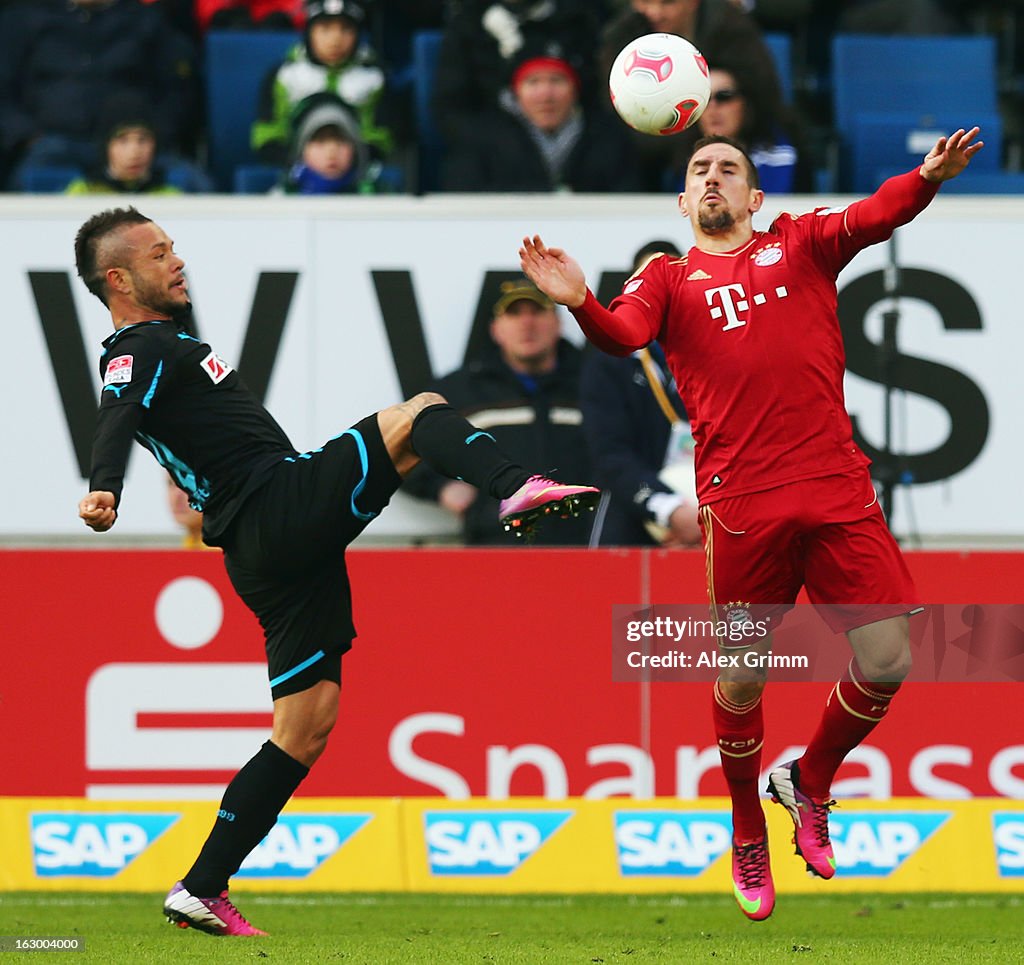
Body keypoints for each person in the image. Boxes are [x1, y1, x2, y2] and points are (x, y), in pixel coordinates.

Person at [74, 207, 598, 936]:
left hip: (266, 550)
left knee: (305, 727)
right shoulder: (138, 347)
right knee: (419, 414)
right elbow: (116, 412)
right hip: (273, 507)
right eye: (160, 254)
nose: (177, 262)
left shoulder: (170, 343)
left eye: (174, 248)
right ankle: (514, 482)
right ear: (119, 278)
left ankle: (200, 886)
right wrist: (106, 485)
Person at [518, 127, 983, 920]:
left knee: (890, 658)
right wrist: (581, 303)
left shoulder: (800, 244)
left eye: (728, 169)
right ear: (681, 198)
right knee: (739, 677)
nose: (712, 178)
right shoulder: (666, 277)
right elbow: (625, 333)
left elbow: (877, 214)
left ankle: (809, 781)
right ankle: (745, 828)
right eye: (699, 169)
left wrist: (927, 178)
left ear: (754, 197)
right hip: (740, 504)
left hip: (836, 485)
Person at [404, 278, 595, 545]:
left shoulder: (594, 384)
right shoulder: (463, 390)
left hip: (585, 547)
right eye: (514, 313)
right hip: (495, 549)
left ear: (558, 323)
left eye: (537, 311)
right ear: (496, 329)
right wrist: (441, 488)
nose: (526, 323)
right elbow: (401, 442)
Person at [0, 0, 205, 191]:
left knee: (191, 180)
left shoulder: (146, 21)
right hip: (54, 143)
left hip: (133, 145)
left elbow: (176, 90)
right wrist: (27, 137)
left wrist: (152, 137)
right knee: (28, 178)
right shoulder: (25, 19)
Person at [580, 241, 700, 547]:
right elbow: (610, 454)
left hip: (713, 518)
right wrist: (669, 509)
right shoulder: (609, 363)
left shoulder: (722, 355)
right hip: (629, 520)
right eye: (647, 282)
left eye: (670, 279)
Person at [599, 0, 786, 191]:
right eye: (645, 1)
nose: (655, 12)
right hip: (644, 150)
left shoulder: (731, 28)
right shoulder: (621, 33)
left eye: (667, 3)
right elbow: (612, 110)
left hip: (724, 141)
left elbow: (763, 100)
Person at [442, 43, 643, 193]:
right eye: (533, 82)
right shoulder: (482, 140)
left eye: (557, 81)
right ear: (515, 92)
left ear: (575, 90)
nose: (546, 95)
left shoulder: (609, 137)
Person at [251, 0, 397, 167]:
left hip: (357, 175)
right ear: (309, 33)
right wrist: (296, 162)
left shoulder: (374, 78)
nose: (335, 40)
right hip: (294, 173)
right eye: (325, 29)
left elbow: (380, 139)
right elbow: (267, 135)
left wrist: (351, 163)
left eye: (346, 29)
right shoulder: (284, 75)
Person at [670, 62, 811, 194]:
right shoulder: (681, 159)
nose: (712, 107)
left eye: (724, 96)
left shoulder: (782, 156)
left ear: (746, 103)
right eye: (704, 99)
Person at [65, 94, 184, 196]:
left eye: (142, 140)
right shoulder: (82, 193)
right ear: (106, 145)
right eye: (123, 140)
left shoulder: (170, 197)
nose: (134, 152)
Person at [272, 93, 383, 194]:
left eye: (341, 141)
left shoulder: (379, 198)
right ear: (302, 149)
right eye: (320, 142)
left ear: (356, 149)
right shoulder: (282, 197)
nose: (331, 153)